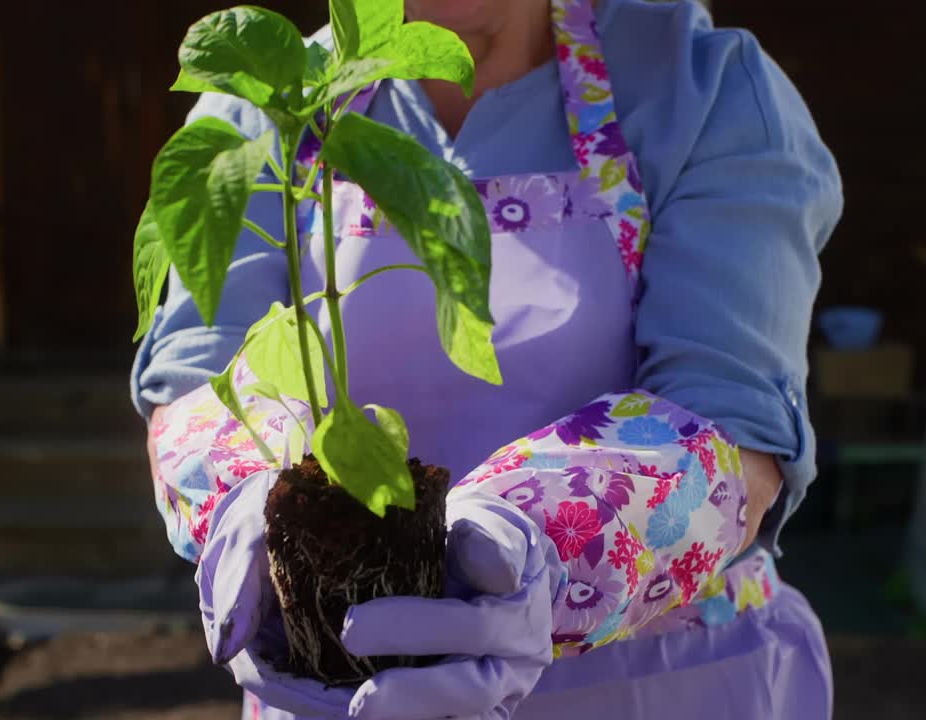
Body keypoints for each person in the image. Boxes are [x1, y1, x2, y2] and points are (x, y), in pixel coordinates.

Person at [133, 0, 843, 717]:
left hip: (661, 685)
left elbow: (731, 428)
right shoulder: (272, 99)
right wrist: (243, 506)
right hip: (347, 691)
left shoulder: (701, 88)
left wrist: (531, 546)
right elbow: (201, 374)